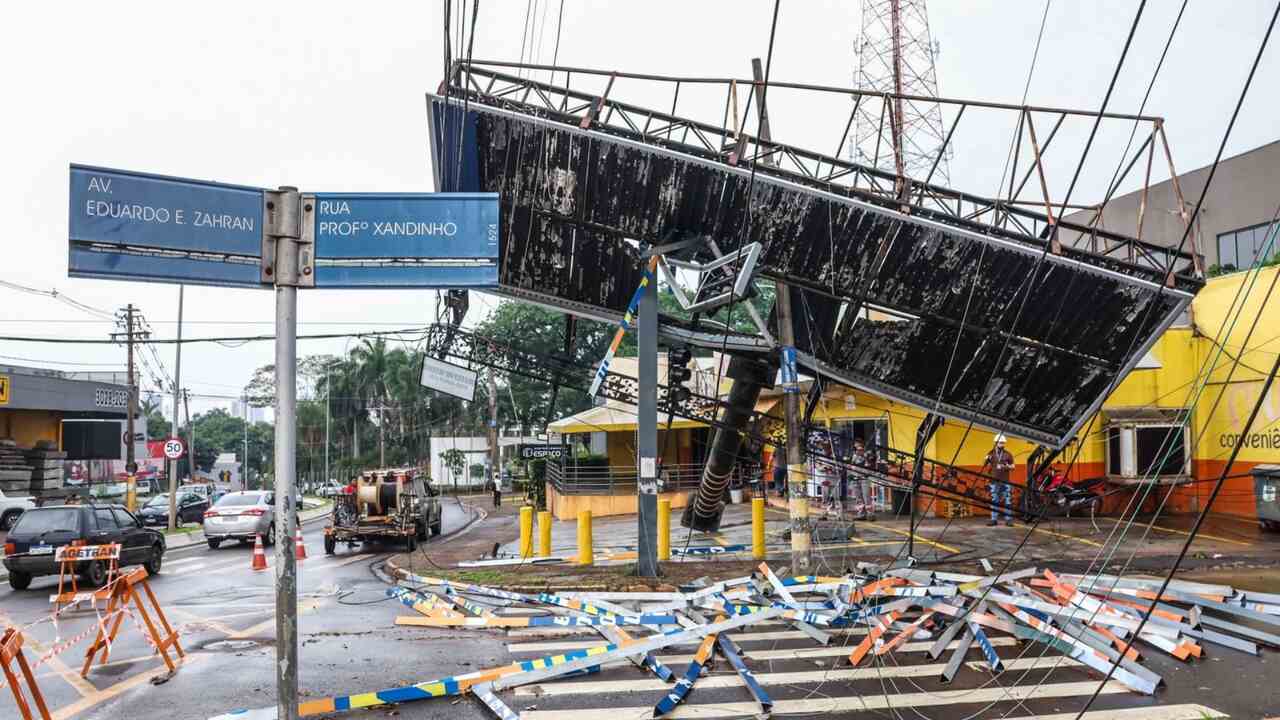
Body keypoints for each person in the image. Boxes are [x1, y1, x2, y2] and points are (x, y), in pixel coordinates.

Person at [984, 434, 1016, 526]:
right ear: (996, 443)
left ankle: (1008, 520)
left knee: (1007, 500)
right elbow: (985, 464)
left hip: (1006, 481)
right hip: (994, 481)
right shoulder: (991, 453)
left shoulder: (1008, 454)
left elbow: (1013, 467)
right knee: (994, 500)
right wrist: (987, 459)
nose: (1002, 444)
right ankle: (993, 519)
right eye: (1000, 442)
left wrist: (1004, 466)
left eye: (1003, 443)